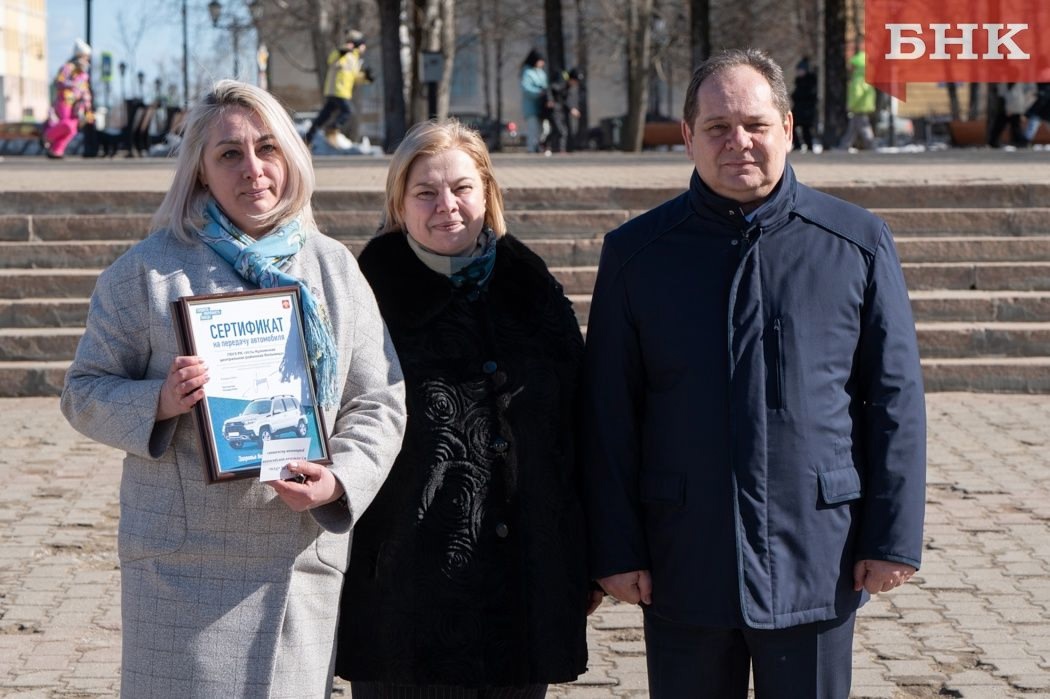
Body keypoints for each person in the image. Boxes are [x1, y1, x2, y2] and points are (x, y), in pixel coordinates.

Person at [581, 48, 926, 698]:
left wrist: (892, 537)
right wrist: (617, 549)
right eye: (717, 127)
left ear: (787, 128)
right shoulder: (636, 255)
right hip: (684, 557)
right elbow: (609, 414)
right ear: (688, 136)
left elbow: (894, 400)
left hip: (818, 556)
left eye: (755, 125)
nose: (738, 142)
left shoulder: (856, 242)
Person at [61, 79, 407, 697]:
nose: (253, 169)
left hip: (296, 561)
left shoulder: (333, 267)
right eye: (229, 154)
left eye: (266, 148)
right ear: (200, 169)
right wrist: (159, 401)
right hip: (182, 570)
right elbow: (83, 392)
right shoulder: (146, 273)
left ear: (290, 156)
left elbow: (378, 399)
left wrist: (338, 481)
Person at [335, 119, 601, 697]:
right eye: (425, 192)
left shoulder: (533, 289)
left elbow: (579, 426)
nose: (446, 206)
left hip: (523, 589)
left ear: (487, 194)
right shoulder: (362, 296)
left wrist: (588, 555)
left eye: (461, 188)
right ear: (399, 203)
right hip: (401, 597)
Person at [303, 29, 373, 149]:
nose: (365, 48)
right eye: (363, 45)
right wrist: (341, 51)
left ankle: (307, 139)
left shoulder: (354, 58)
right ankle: (332, 128)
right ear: (358, 44)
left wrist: (366, 77)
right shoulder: (344, 54)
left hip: (341, 91)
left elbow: (354, 77)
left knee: (323, 117)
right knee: (348, 111)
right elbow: (331, 60)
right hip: (337, 90)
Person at [42, 39, 93, 159]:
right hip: (65, 101)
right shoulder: (67, 67)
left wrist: (87, 107)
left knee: (73, 129)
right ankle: (47, 136)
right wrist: (73, 85)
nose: (87, 60)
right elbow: (59, 82)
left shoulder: (83, 74)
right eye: (85, 56)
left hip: (76, 105)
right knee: (67, 125)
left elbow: (85, 91)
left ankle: (56, 150)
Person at [838, 49, 876, 150]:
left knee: (863, 129)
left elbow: (856, 95)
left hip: (858, 107)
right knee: (853, 129)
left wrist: (851, 106)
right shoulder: (866, 77)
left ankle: (871, 146)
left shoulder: (857, 79)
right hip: (862, 107)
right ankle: (844, 146)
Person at [547, 67, 583, 153]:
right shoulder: (561, 83)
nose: (576, 84)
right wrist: (550, 100)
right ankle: (556, 149)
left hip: (560, 111)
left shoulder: (568, 87)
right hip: (553, 111)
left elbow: (566, 101)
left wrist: (572, 109)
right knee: (561, 131)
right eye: (575, 81)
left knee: (562, 131)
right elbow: (550, 89)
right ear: (572, 79)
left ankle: (558, 149)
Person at [520, 49, 549, 153]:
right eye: (541, 60)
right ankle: (531, 149)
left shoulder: (541, 73)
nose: (542, 63)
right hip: (531, 107)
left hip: (542, 107)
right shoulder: (527, 72)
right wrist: (539, 92)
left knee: (545, 128)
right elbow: (526, 88)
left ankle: (540, 146)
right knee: (533, 129)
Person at [989, 82, 1033, 148]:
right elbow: (1001, 94)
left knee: (1015, 127)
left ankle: (1019, 142)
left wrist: (1024, 108)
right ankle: (993, 142)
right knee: (999, 125)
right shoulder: (1003, 82)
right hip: (1005, 107)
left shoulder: (1021, 83)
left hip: (1016, 108)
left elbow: (1029, 93)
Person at [791, 57, 818, 151]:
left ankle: (809, 145)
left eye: (800, 70)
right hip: (799, 109)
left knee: (806, 129)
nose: (798, 72)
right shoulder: (799, 81)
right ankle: (798, 144)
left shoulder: (810, 82)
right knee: (793, 126)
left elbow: (809, 96)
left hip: (806, 110)